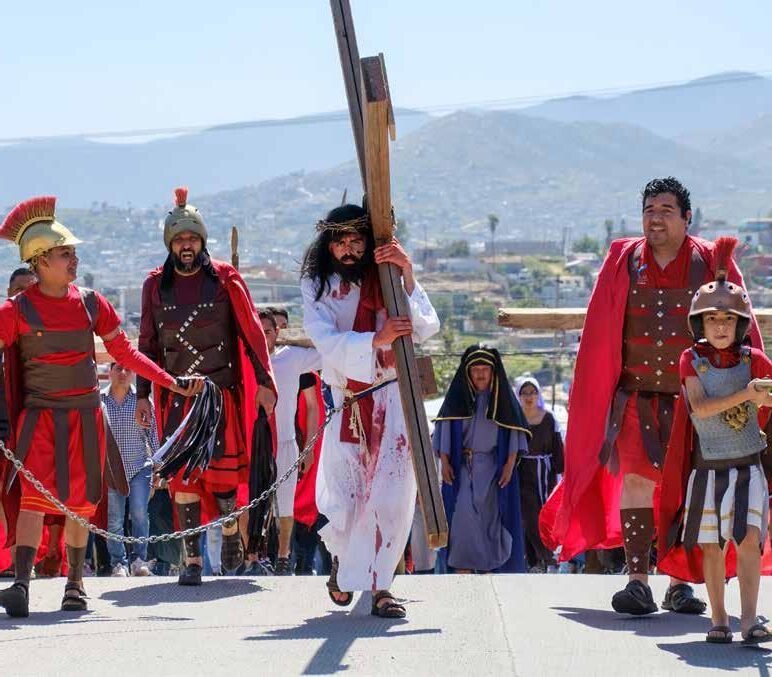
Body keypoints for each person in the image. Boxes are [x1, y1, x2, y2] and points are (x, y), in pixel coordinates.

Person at [539, 177, 761, 616]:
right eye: (648, 209)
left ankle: (680, 583)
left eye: (665, 209)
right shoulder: (623, 260)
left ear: (686, 217)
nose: (655, 218)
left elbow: (743, 328)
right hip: (635, 400)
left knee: (687, 489)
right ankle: (637, 581)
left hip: (696, 401)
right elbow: (602, 330)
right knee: (637, 482)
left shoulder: (711, 263)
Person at [0, 195, 202, 618]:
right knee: (34, 501)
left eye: (73, 252)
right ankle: (20, 584)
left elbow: (125, 353)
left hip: (86, 417)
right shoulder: (14, 310)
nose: (74, 259)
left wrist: (171, 383)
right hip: (37, 418)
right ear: (39, 261)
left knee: (81, 503)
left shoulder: (92, 303)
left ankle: (75, 585)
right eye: (64, 253)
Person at [301, 203, 439, 617]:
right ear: (328, 244)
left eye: (355, 239)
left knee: (393, 496)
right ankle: (344, 562)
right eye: (339, 241)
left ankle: (382, 587)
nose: (347, 248)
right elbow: (323, 337)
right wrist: (376, 340)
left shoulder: (388, 272)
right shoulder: (318, 284)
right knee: (348, 496)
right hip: (351, 400)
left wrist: (407, 272)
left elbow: (426, 325)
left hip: (395, 398)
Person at [136, 187, 276, 587]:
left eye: (192, 238)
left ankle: (232, 530)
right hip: (178, 398)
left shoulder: (226, 279)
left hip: (220, 395)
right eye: (179, 238)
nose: (186, 245)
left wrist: (265, 382)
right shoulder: (153, 286)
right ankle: (191, 558)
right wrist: (144, 395)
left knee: (224, 476)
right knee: (183, 480)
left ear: (202, 241)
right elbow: (147, 344)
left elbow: (251, 333)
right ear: (170, 243)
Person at [658, 237, 772, 645]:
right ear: (700, 325)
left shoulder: (755, 362)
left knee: (748, 543)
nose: (720, 326)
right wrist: (748, 394)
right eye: (712, 319)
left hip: (748, 467)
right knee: (710, 546)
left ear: (740, 324)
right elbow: (701, 409)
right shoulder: (691, 360)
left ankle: (748, 621)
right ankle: (719, 619)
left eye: (727, 319)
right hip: (708, 469)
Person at [433, 346, 529, 573]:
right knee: (463, 513)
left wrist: (509, 465)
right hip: (463, 468)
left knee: (491, 519)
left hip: (494, 470)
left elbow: (515, 431)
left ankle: (488, 569)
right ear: (468, 372)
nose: (480, 374)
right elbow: (445, 426)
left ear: (493, 372)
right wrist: (445, 461)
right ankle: (463, 567)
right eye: (475, 369)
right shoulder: (457, 398)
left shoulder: (504, 400)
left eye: (485, 368)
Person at [258, 309, 320, 575]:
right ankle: (255, 556)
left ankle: (283, 557)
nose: (263, 336)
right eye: (258, 331)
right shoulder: (246, 361)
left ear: (277, 334)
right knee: (252, 502)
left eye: (268, 332)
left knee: (285, 502)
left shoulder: (292, 358)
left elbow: (328, 351)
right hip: (256, 444)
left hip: (285, 441)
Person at [102, 362, 159, 577]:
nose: (123, 373)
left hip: (139, 467)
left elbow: (152, 435)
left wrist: (158, 466)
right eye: (118, 368)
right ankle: (119, 563)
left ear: (133, 373)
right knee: (114, 519)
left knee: (139, 513)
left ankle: (139, 560)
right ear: (110, 372)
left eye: (127, 369)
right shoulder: (100, 401)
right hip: (112, 470)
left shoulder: (142, 401)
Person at [0, 269, 37, 578]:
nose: (21, 295)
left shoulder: (43, 336)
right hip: (2, 427)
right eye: (16, 289)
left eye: (28, 289)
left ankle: (22, 563)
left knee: (27, 498)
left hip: (32, 428)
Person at [515, 376, 564, 572]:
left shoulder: (549, 418)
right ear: (519, 395)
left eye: (533, 392)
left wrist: (561, 472)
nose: (529, 397)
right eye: (525, 393)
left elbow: (557, 447)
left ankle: (542, 557)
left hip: (545, 473)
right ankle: (539, 557)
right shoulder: (516, 419)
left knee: (544, 514)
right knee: (528, 515)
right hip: (522, 471)